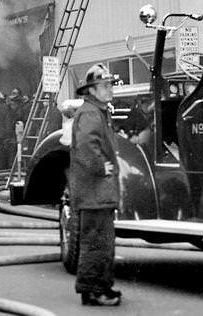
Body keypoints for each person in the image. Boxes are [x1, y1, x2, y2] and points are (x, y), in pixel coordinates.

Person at [70, 63, 122, 307]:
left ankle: (102, 287)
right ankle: (92, 291)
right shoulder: (91, 113)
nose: (110, 89)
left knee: (101, 241)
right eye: (105, 86)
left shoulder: (97, 111)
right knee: (96, 243)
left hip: (98, 192)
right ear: (91, 90)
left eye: (110, 84)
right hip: (95, 191)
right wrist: (102, 167)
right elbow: (86, 147)